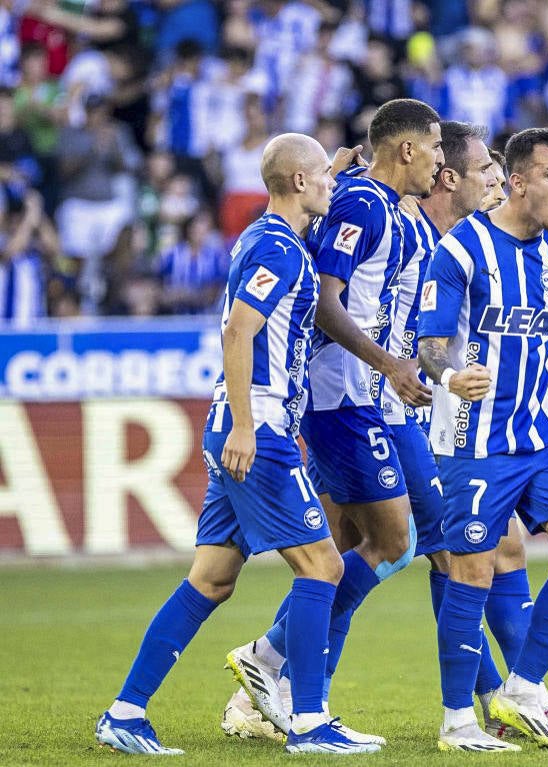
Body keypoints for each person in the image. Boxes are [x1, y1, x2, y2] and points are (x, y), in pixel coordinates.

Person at [94, 132, 381, 756]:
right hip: (261, 429)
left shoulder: (268, 237)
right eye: (324, 179)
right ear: (299, 183)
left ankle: (125, 712)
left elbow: (297, 193)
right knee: (324, 566)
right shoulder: (279, 250)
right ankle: (308, 721)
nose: (333, 187)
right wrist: (250, 427)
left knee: (212, 578)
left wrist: (333, 163)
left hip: (241, 424)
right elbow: (238, 332)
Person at [223, 99, 443, 745]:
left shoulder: (396, 215)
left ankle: (271, 692)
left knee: (345, 552)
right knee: (393, 540)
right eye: (437, 151)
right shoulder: (363, 205)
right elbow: (325, 299)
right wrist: (388, 363)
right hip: (339, 397)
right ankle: (271, 660)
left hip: (364, 396)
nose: (440, 164)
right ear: (409, 150)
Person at [418, 127, 548, 751]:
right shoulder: (462, 249)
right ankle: (458, 721)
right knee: (472, 571)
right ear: (517, 182)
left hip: (537, 433)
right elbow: (428, 345)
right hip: (472, 436)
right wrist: (453, 375)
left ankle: (522, 690)